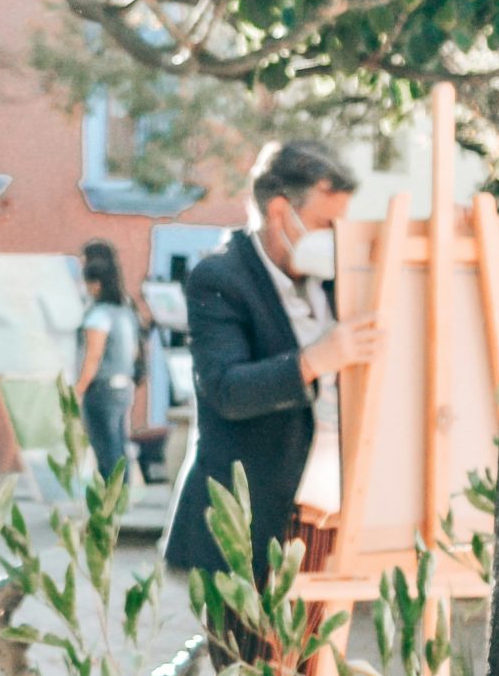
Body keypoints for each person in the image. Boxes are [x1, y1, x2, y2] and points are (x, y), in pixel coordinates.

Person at [163, 140, 379, 589]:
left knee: (313, 662)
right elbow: (227, 390)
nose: (337, 237)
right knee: (254, 660)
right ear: (280, 211)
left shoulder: (343, 278)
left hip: (330, 520)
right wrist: (314, 360)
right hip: (249, 526)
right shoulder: (220, 277)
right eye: (326, 224)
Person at [73, 240, 141, 483]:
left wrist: (77, 389)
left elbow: (93, 356)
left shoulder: (99, 314)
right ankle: (121, 499)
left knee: (106, 450)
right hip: (123, 385)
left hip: (101, 389)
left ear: (95, 284)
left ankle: (111, 505)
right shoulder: (125, 308)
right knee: (119, 446)